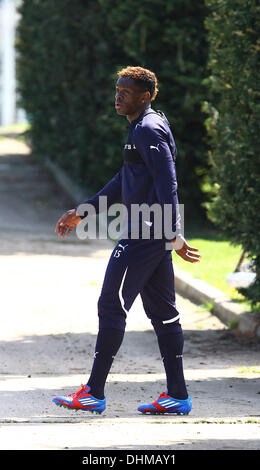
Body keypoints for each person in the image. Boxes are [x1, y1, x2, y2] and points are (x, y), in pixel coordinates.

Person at [52, 66, 201, 415]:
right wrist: (84, 211)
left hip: (146, 233)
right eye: (117, 89)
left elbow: (169, 183)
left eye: (126, 91)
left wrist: (174, 233)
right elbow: (124, 180)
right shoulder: (141, 128)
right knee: (164, 314)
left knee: (111, 304)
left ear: (145, 96)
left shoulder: (149, 129)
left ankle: (93, 392)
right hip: (151, 232)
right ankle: (178, 396)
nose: (118, 95)